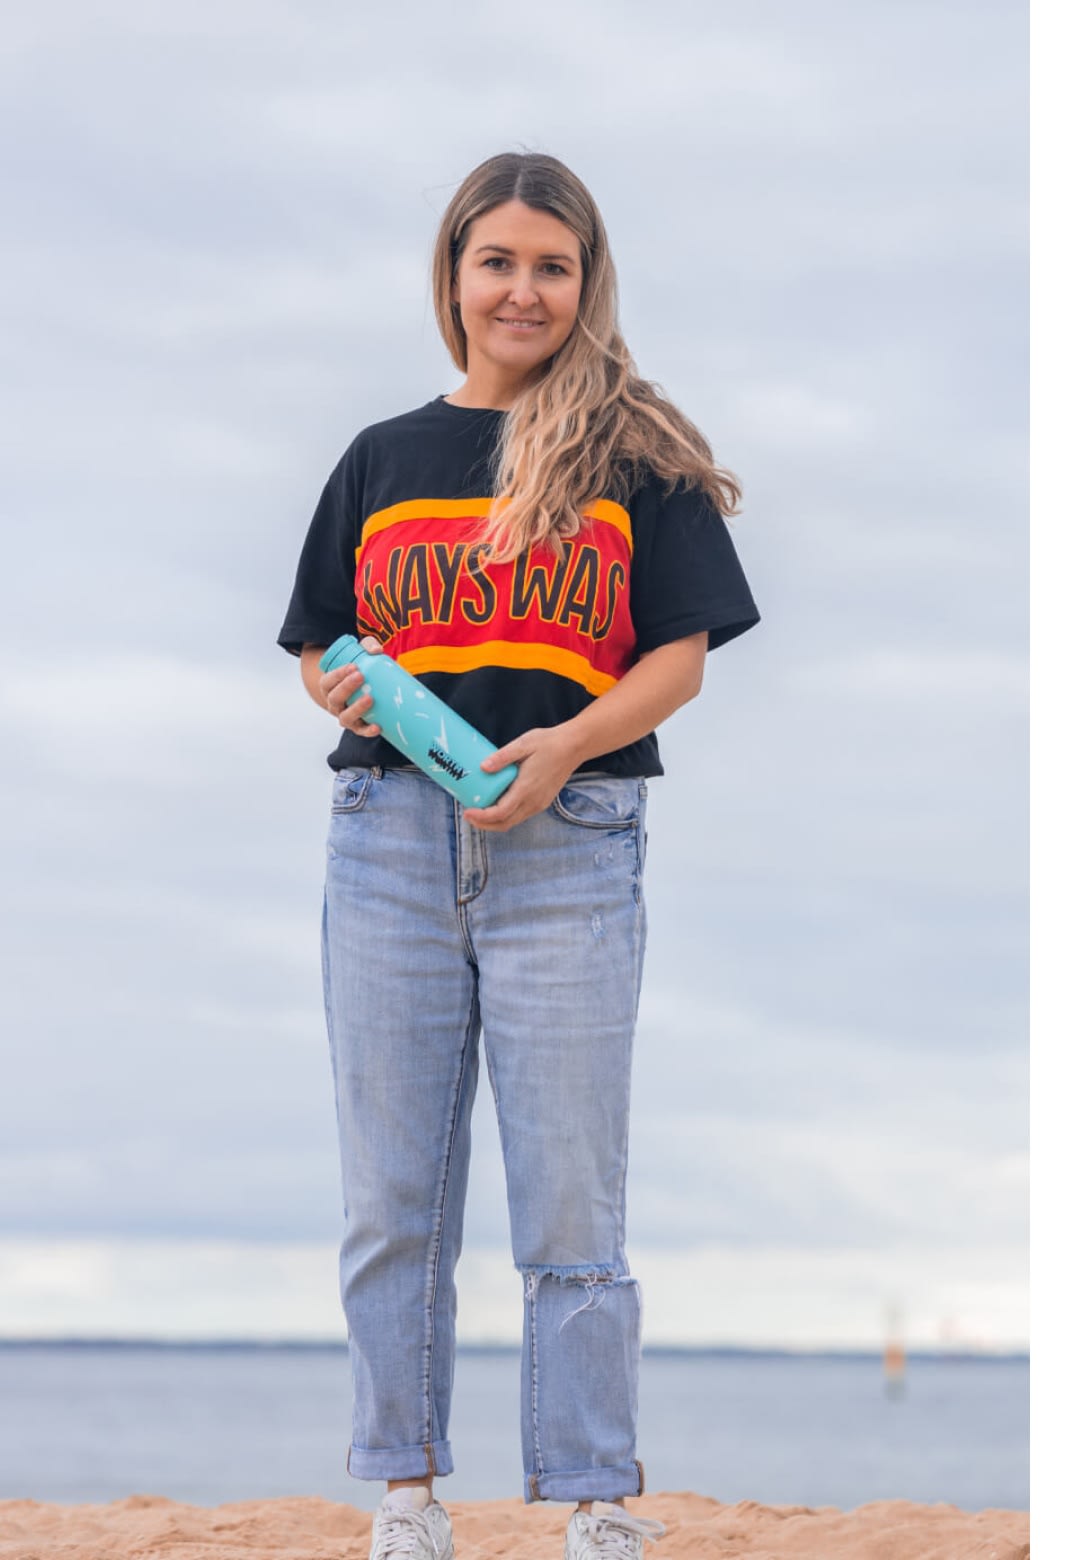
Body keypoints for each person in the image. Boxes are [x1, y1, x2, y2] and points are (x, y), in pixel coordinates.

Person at [277, 150, 759, 1560]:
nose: (522, 289)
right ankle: (407, 1497)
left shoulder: (637, 457)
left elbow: (677, 662)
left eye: (551, 265)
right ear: (453, 277)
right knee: (391, 1195)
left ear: (585, 282)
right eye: (497, 261)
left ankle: (596, 1500)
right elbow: (319, 641)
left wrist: (562, 748)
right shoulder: (380, 455)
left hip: (576, 840)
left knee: (570, 1198)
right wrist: (344, 691)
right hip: (386, 841)